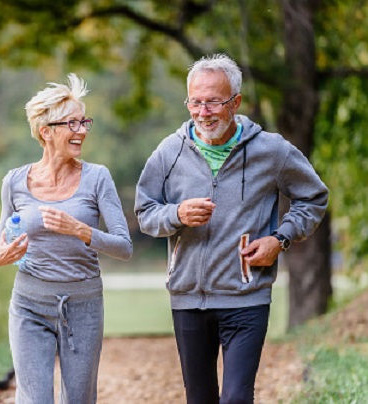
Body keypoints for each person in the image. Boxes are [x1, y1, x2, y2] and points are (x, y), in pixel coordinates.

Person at [134, 54, 328, 403]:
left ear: (235, 102)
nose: (203, 112)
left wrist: (279, 239)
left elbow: (313, 198)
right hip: (188, 298)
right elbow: (145, 212)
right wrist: (176, 214)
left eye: (214, 102)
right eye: (195, 102)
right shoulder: (169, 152)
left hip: (246, 296)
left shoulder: (272, 151)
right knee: (200, 398)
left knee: (237, 398)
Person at [0, 73, 133, 403]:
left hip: (83, 304)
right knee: (34, 399)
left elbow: (124, 247)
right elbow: (0, 239)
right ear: (46, 131)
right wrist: (0, 254)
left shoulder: (98, 178)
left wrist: (80, 230)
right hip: (29, 302)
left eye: (84, 122)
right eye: (72, 123)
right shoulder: (14, 182)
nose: (82, 130)